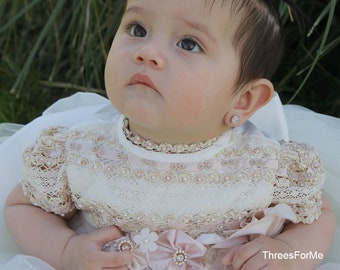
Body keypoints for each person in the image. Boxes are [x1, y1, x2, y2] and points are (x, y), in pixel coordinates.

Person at [2, 0, 338, 269]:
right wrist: (64, 249)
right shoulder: (80, 150)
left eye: (188, 44)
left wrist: (287, 253)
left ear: (243, 99)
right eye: (137, 28)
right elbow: (22, 206)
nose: (146, 52)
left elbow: (317, 217)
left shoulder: (265, 163)